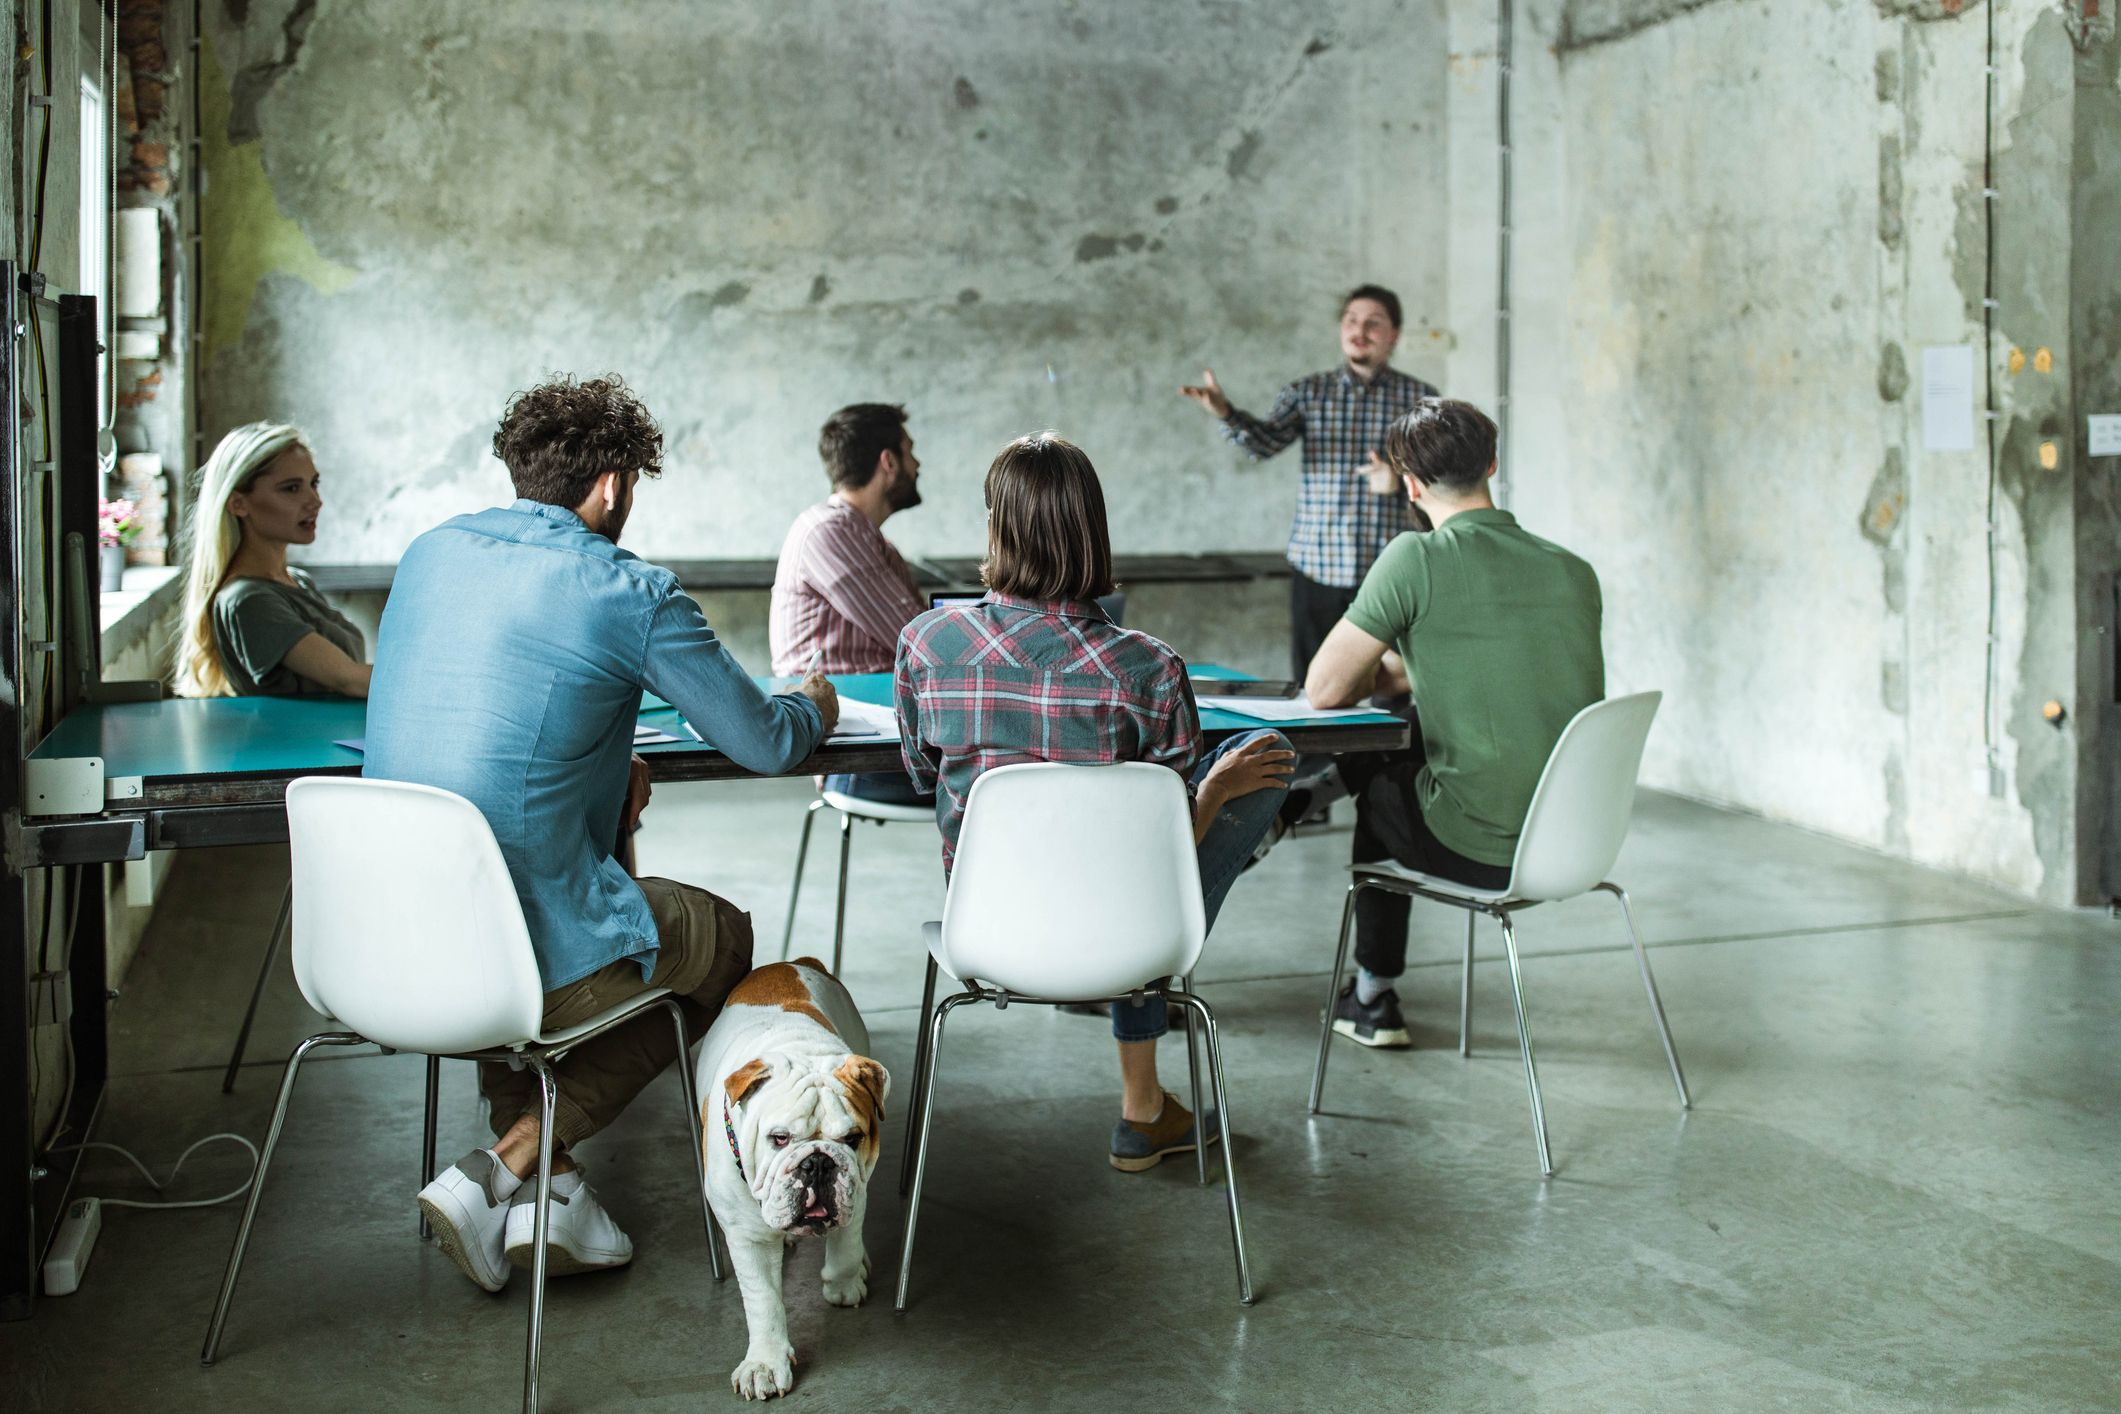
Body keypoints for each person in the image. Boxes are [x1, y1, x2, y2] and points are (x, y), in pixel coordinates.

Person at [368, 375, 839, 1292]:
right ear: (615, 485)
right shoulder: (628, 590)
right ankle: (506, 1164)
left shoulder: (430, 552)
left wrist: (603, 760)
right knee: (721, 942)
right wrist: (812, 701)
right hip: (525, 959)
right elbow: (764, 741)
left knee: (519, 944)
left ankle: (555, 1197)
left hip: (394, 942)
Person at [894, 433, 1295, 1172]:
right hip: (1126, 932)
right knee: (1254, 763)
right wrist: (1211, 792)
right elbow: (1164, 843)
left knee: (1125, 843)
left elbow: (924, 776)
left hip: (985, 931)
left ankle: (1145, 1099)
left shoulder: (926, 643)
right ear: (1093, 530)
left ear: (995, 526)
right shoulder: (1151, 668)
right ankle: (1143, 1102)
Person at [1303, 399, 1603, 1048]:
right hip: (1578, 839)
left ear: (1409, 484)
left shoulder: (1416, 557)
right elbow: (1498, 666)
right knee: (1409, 727)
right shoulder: (1570, 570)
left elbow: (1324, 690)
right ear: (1491, 465)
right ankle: (1296, 808)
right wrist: (1403, 671)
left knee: (1378, 769)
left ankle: (1372, 997)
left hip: (1483, 849)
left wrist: (1382, 669)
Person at [1179, 284, 1439, 681]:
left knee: (1397, 688)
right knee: (1313, 687)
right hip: (1318, 565)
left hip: (1390, 570)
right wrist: (1226, 413)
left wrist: (1400, 479)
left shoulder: (1421, 399)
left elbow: (1440, 478)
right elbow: (1264, 444)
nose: (1359, 331)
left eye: (1373, 323)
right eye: (1351, 320)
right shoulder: (1307, 392)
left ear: (1395, 335)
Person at [768, 402, 932, 806]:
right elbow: (920, 642)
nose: (918, 465)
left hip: (881, 740)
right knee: (1000, 779)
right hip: (855, 758)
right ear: (888, 462)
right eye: (911, 452)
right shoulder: (831, 532)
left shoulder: (866, 537)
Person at [173, 422, 370, 698]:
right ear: (238, 503)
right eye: (291, 488)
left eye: (313, 484)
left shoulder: (297, 580)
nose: (315, 501)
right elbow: (349, 679)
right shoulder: (248, 600)